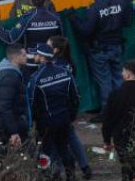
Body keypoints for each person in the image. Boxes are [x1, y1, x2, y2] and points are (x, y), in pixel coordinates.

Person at [29, 44, 87, 181]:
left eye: (36, 54)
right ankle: (71, 176)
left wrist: (36, 122)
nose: (34, 56)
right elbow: (75, 97)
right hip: (64, 119)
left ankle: (51, 176)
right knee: (64, 148)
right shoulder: (65, 72)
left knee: (46, 152)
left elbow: (32, 104)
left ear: (42, 58)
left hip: (46, 123)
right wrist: (71, 116)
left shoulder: (36, 78)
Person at [74, 0, 131, 110]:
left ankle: (109, 110)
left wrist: (74, 19)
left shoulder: (94, 9)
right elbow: (127, 22)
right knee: (118, 78)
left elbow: (85, 31)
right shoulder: (120, 3)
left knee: (105, 82)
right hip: (117, 46)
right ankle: (121, 107)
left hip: (100, 51)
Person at [49, 36, 95, 178]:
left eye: (48, 46)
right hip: (67, 107)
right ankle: (84, 167)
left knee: (54, 138)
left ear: (55, 50)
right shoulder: (69, 63)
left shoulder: (55, 66)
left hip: (57, 107)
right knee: (70, 136)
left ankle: (57, 168)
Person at [0, 0, 63, 72]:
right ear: (46, 1)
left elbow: (11, 38)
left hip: (31, 64)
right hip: (51, 63)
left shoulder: (27, 19)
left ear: (32, 1)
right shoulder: (56, 18)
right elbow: (61, 42)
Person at [0, 43, 29, 155]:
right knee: (21, 152)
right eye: (24, 55)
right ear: (16, 57)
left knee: (6, 154)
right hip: (6, 125)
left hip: (4, 123)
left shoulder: (5, 71)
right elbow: (4, 106)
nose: (27, 57)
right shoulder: (10, 76)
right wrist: (13, 131)